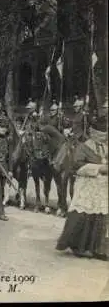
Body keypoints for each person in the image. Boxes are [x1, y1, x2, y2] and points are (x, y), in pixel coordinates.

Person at [56, 107, 108, 260]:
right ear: (93, 133)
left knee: (100, 217)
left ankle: (97, 248)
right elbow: (76, 166)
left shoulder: (106, 147)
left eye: (105, 136)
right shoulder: (84, 147)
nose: (103, 139)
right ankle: (78, 245)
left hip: (102, 187)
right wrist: (99, 168)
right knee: (83, 215)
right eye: (100, 135)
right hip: (87, 185)